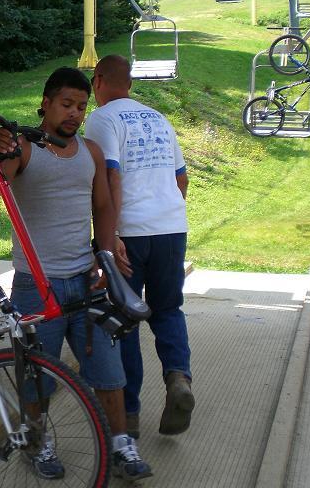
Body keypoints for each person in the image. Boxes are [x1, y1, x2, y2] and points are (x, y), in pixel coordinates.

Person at [0, 66, 152, 482]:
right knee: (36, 375)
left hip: (86, 280)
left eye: (81, 106)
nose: (75, 113)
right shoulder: (24, 147)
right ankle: (38, 444)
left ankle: (121, 445)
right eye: (66, 104)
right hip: (35, 284)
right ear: (45, 103)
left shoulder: (90, 152)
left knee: (109, 372)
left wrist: (106, 253)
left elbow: (102, 206)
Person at [84, 54, 194, 439]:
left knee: (123, 321)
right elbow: (181, 180)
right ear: (128, 82)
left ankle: (128, 414)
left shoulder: (103, 118)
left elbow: (108, 174)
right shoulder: (159, 119)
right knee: (167, 310)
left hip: (130, 233)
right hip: (171, 228)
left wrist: (110, 235)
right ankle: (178, 378)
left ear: (99, 80)